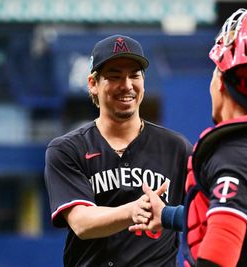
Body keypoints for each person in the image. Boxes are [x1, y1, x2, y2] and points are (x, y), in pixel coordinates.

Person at [129, 5, 247, 267]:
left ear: (222, 79)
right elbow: (236, 217)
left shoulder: (237, 152)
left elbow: (220, 254)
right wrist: (166, 215)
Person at [44, 34, 192, 267]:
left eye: (134, 75)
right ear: (93, 84)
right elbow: (82, 223)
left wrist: (169, 216)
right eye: (114, 76)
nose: (126, 85)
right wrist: (133, 210)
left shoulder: (177, 148)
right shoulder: (67, 149)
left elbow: (204, 213)